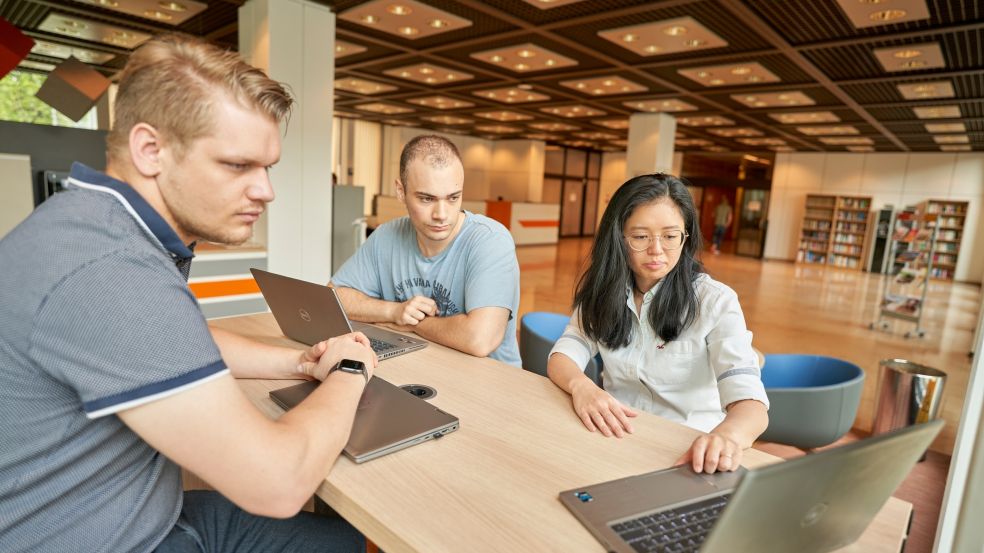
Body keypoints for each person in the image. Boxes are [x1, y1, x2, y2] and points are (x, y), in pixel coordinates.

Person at [0, 34, 377, 553]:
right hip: (112, 540)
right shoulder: (110, 271)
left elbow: (174, 339)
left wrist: (299, 363)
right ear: (150, 151)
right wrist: (350, 370)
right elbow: (279, 482)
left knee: (336, 539)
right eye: (237, 165)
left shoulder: (95, 226)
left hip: (119, 512)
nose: (266, 190)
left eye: (267, 167)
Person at [546, 174, 769, 474]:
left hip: (687, 451)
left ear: (685, 237)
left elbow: (752, 406)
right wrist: (582, 386)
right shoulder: (605, 292)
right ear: (618, 237)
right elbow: (563, 355)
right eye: (640, 237)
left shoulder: (715, 301)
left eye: (670, 236)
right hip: (616, 436)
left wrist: (726, 437)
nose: (657, 250)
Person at [330, 135, 522, 367]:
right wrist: (393, 312)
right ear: (401, 191)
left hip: (490, 379)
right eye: (426, 199)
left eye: (453, 198)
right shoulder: (387, 236)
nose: (441, 214)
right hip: (419, 367)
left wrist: (412, 323)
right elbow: (334, 297)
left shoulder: (490, 240)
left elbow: (480, 339)